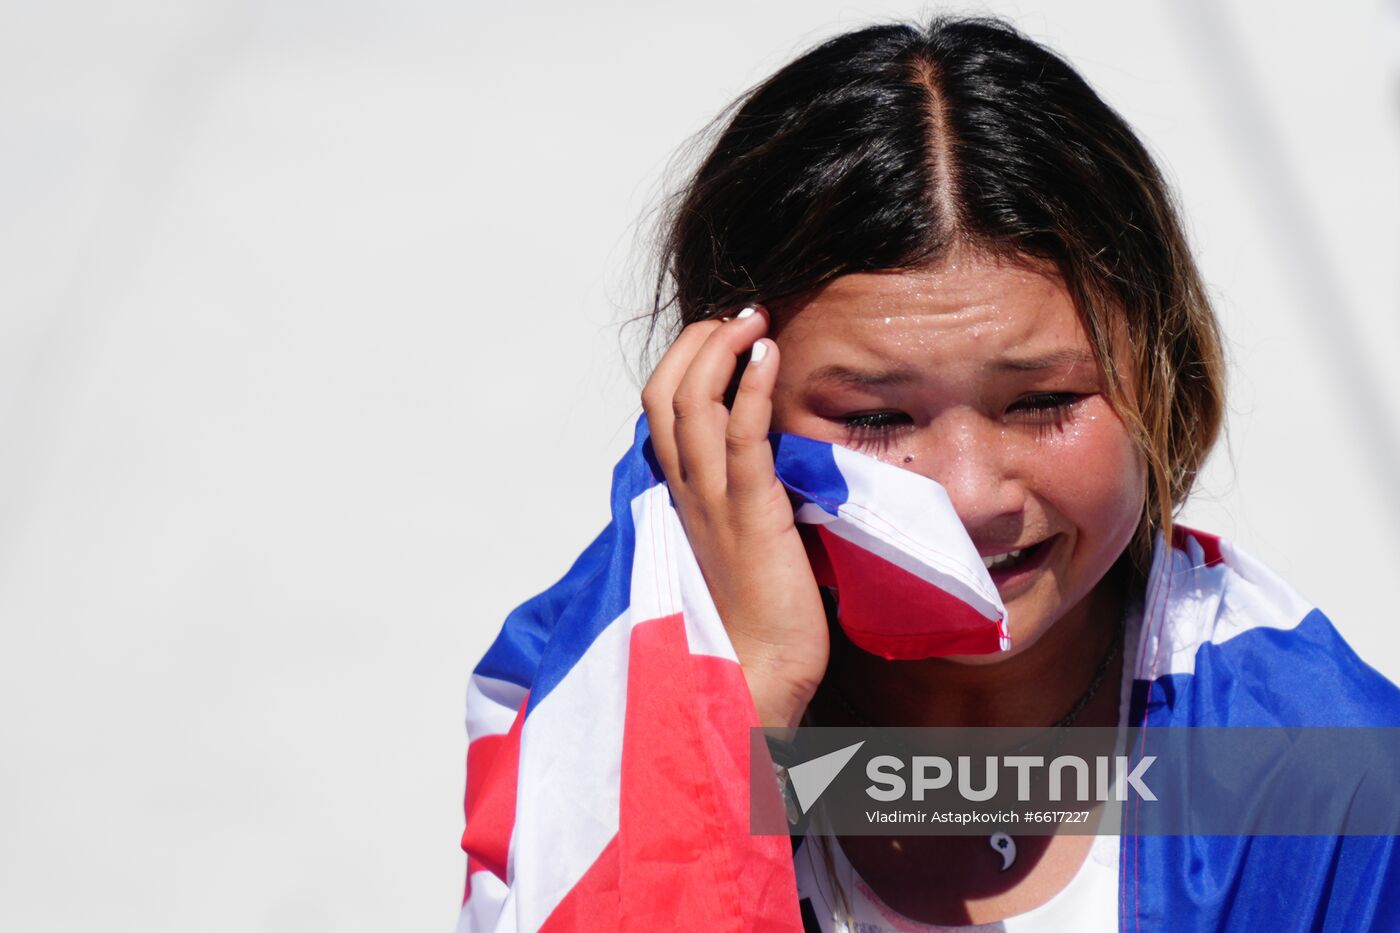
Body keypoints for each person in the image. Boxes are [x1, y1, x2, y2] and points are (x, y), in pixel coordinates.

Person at [459, 15, 1400, 932]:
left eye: (1042, 401)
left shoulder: (1324, 769)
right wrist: (730, 706)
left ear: (1162, 374)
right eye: (874, 416)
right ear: (728, 407)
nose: (967, 496)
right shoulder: (590, 690)